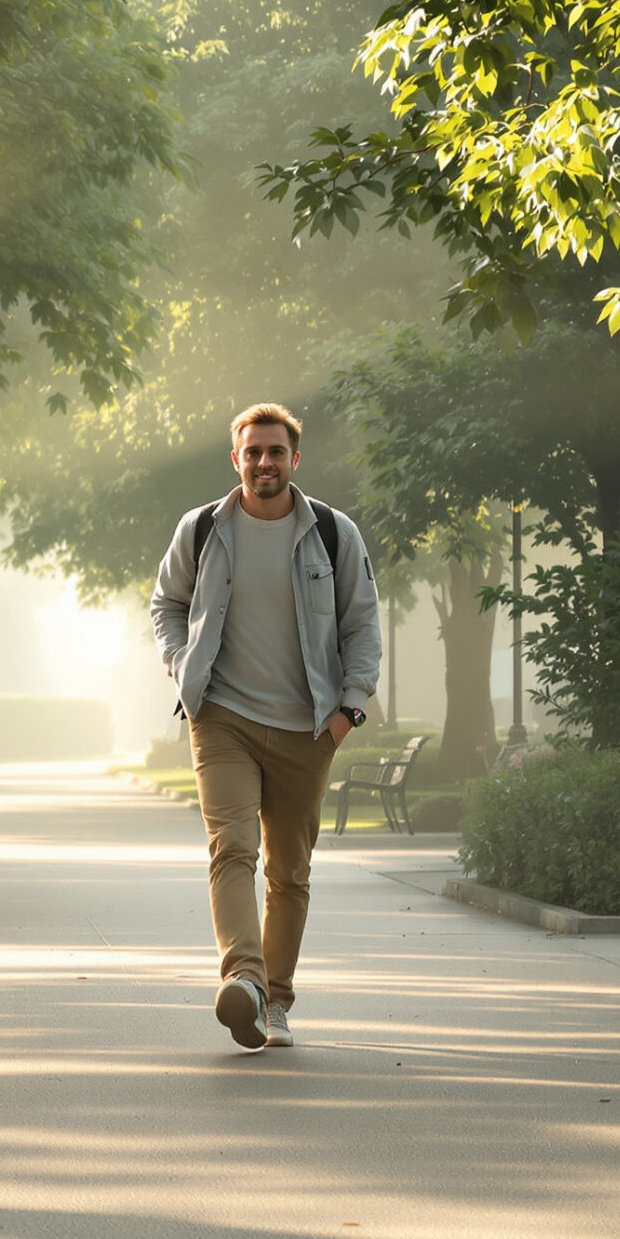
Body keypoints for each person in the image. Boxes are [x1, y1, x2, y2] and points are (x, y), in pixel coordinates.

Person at [148, 403, 382, 1050]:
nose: (264, 462)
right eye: (253, 452)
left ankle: (275, 999)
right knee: (232, 845)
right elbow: (165, 603)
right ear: (236, 458)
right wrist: (181, 668)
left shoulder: (334, 533)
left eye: (276, 451)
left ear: (295, 459)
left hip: (308, 726)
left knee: (289, 871)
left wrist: (347, 712)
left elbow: (363, 624)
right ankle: (243, 981)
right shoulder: (201, 530)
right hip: (221, 717)